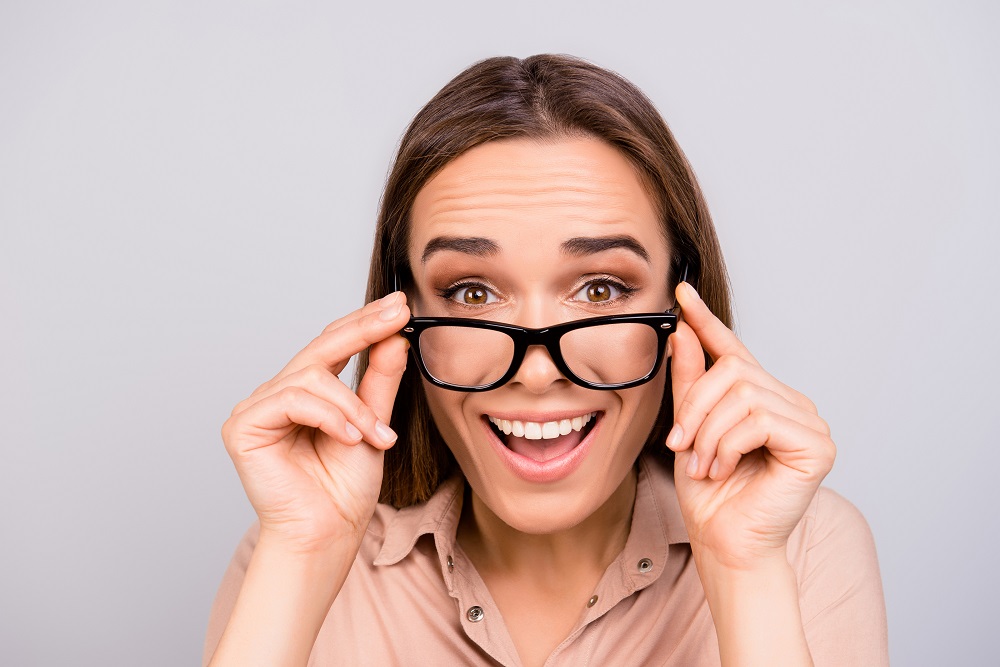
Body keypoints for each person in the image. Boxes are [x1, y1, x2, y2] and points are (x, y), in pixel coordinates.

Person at [203, 54, 888, 666]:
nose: (536, 371)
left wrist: (745, 574)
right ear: (401, 319)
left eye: (600, 289)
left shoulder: (799, 548)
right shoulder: (301, 546)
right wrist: (300, 557)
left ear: (682, 309)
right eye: (471, 292)